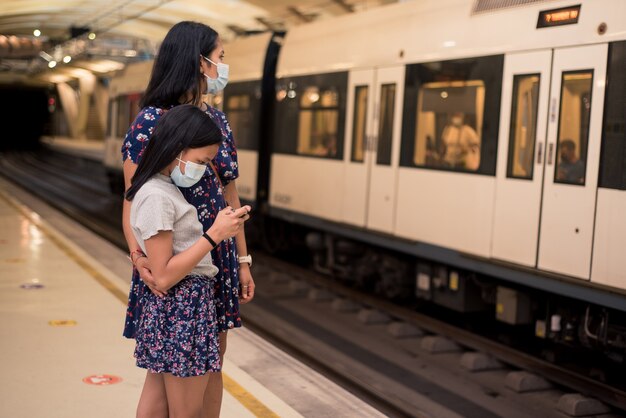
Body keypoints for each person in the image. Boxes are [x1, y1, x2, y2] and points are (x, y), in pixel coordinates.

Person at [120, 21, 255, 417]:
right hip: (173, 258)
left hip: (218, 254)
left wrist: (243, 261)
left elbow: (230, 194)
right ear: (199, 61)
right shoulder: (149, 122)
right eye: (220, 58)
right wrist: (137, 256)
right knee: (172, 371)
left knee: (210, 363)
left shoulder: (218, 122)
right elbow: (131, 198)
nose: (222, 67)